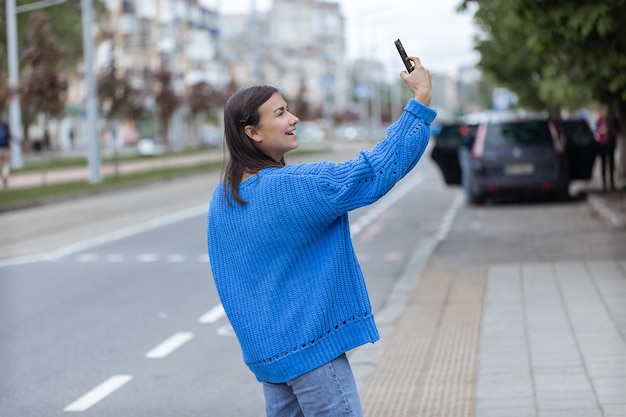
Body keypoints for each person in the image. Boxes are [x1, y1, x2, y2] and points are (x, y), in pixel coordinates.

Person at [207, 56, 434, 417]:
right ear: (252, 132)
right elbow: (375, 172)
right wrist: (420, 100)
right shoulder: (288, 188)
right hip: (312, 354)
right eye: (280, 113)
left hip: (272, 361)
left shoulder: (223, 198)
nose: (293, 119)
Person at [595, 108, 619, 191]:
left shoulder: (614, 120)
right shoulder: (600, 120)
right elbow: (597, 131)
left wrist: (612, 132)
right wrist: (603, 130)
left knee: (611, 163)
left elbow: (617, 131)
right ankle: (604, 184)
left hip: (611, 143)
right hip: (603, 144)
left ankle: (611, 183)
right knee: (604, 164)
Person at [0, 119, 11, 189]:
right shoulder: (7, 131)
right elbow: (10, 139)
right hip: (6, 149)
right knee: (5, 164)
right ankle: (5, 179)